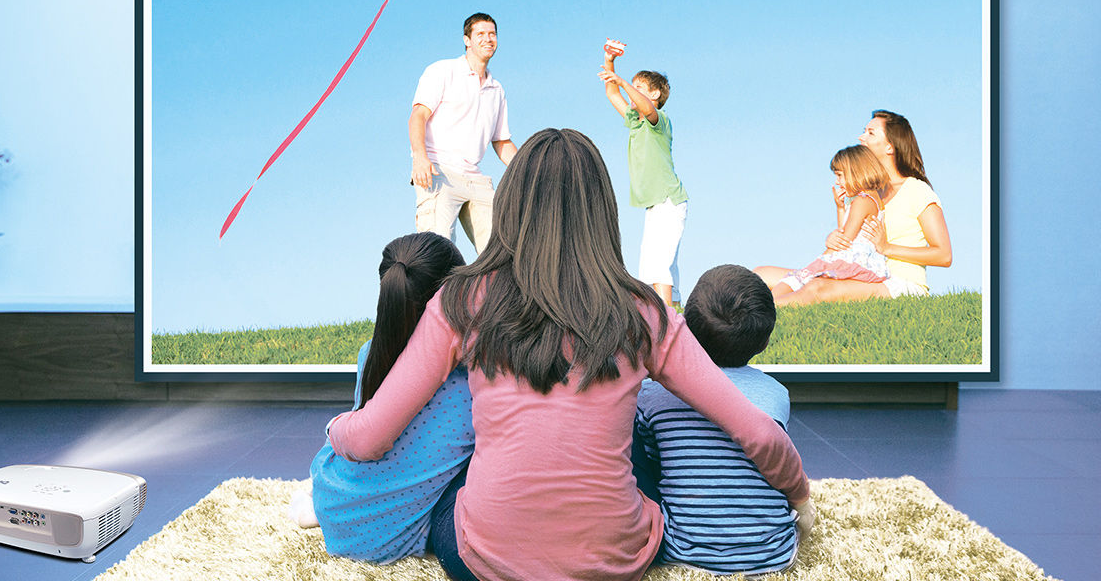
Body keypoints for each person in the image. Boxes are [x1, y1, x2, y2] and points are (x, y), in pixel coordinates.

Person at [327, 129, 812, 581]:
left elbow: (369, 440)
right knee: (644, 442)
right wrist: (800, 495)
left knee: (456, 476)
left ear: (512, 206)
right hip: (614, 560)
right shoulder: (646, 312)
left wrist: (336, 430)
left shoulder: (459, 300)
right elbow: (755, 431)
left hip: (487, 561)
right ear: (601, 210)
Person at [290, 232, 474, 563]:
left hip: (336, 505)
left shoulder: (369, 355)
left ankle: (319, 508)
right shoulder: (472, 387)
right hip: (392, 537)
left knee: (339, 452)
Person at [634, 264, 811, 575]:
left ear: (685, 327)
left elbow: (648, 461)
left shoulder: (652, 394)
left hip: (680, 548)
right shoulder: (775, 393)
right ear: (764, 342)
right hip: (771, 554)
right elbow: (777, 463)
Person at [755, 110, 951, 304]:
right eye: (863, 131)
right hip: (858, 273)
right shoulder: (861, 192)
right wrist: (834, 234)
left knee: (816, 287)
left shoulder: (917, 190)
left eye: (871, 133)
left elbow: (944, 255)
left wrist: (886, 248)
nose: (861, 137)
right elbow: (848, 241)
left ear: (890, 147)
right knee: (761, 275)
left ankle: (764, 315)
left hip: (899, 284)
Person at [409, 12, 518, 255]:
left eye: (492, 34)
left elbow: (501, 141)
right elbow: (418, 115)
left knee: (503, 252)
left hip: (475, 178)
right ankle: (436, 294)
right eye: (480, 34)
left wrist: (528, 169)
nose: (488, 39)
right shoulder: (442, 71)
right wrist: (419, 157)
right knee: (436, 254)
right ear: (467, 40)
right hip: (438, 172)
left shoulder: (497, 89)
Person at [598, 43, 688, 306]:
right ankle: (673, 313)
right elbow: (612, 94)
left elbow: (646, 107)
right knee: (652, 265)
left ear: (656, 94)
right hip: (655, 203)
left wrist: (625, 82)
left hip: (669, 200)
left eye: (640, 88)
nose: (632, 93)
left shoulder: (658, 120)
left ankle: (665, 317)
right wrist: (609, 62)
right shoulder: (634, 121)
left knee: (659, 262)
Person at [772, 145, 891, 306]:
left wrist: (826, 250)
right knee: (793, 281)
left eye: (840, 175)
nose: (837, 182)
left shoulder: (862, 201)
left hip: (853, 260)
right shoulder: (870, 199)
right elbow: (847, 232)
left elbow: (844, 238)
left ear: (855, 172)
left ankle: (763, 312)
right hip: (855, 258)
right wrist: (840, 207)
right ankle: (766, 309)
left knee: (791, 282)